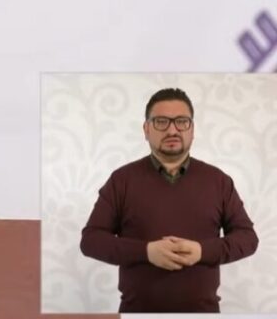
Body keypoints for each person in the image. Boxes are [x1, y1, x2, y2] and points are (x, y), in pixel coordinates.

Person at [79, 87, 258, 313]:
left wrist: (202, 251)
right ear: (146, 129)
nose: (172, 130)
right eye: (161, 122)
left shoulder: (218, 181)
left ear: (192, 129)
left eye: (182, 122)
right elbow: (91, 240)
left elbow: (248, 238)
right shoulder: (122, 180)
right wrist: (146, 252)